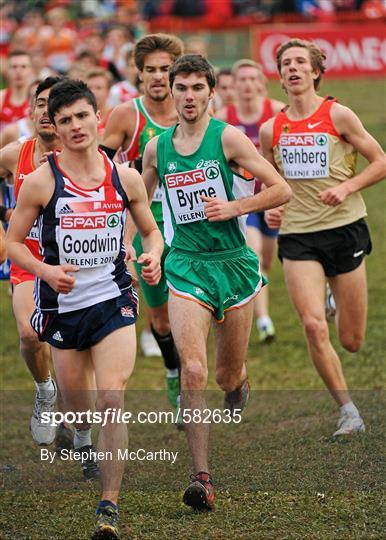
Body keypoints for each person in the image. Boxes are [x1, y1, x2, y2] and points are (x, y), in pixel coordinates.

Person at [6, 78, 163, 540]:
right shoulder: (41, 181)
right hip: (61, 307)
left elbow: (150, 231)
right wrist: (45, 271)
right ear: (53, 124)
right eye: (65, 119)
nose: (76, 126)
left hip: (112, 298)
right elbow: (13, 243)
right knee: (81, 413)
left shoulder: (125, 176)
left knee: (112, 397)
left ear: (99, 119)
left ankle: (109, 505)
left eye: (83, 117)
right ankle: (75, 429)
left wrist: (151, 255)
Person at [142, 54, 291, 510]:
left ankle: (239, 383)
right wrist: (149, 250)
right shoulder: (157, 149)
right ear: (171, 90)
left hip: (233, 263)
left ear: (212, 93)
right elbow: (139, 204)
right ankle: (201, 478)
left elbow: (280, 189)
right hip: (186, 264)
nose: (188, 97)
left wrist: (234, 208)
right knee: (194, 369)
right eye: (180, 88)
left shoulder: (227, 138)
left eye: (196, 88)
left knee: (226, 374)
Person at [260, 38, 386, 436]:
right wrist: (269, 206)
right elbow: (268, 183)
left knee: (350, 340)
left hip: (345, 229)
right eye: (286, 64)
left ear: (316, 72)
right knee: (313, 327)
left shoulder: (339, 115)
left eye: (301, 62)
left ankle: (333, 297)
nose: (293, 68)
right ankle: (348, 411)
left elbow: (380, 161)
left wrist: (348, 188)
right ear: (280, 76)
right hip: (298, 235)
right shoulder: (271, 129)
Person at [102, 33, 184, 411]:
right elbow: (95, 169)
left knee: (196, 306)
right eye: (150, 70)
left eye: (166, 69)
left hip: (188, 224)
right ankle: (173, 370)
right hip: (143, 226)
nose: (158, 77)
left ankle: (193, 376)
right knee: (162, 320)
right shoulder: (127, 116)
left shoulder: (193, 110)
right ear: (138, 74)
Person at [0, 77, 64, 447]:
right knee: (29, 334)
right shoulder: (14, 154)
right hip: (27, 258)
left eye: (53, 103)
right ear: (30, 110)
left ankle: (84, 434)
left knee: (75, 354)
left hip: (74, 263)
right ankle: (44, 390)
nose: (45, 110)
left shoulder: (85, 156)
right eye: (40, 103)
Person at [216, 59, 285, 342]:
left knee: (267, 260)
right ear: (233, 85)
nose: (246, 84)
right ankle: (264, 320)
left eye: (252, 79)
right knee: (254, 255)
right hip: (244, 202)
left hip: (277, 198)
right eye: (240, 79)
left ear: (262, 84)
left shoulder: (278, 112)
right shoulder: (223, 116)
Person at [0, 50, 33, 131]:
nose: (19, 71)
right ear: (7, 71)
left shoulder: (38, 100)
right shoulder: (1, 98)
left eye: (23, 66)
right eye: (14, 67)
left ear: (31, 70)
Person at [85, 68, 113, 142]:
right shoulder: (78, 117)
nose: (93, 92)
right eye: (89, 88)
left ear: (108, 91)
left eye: (98, 88)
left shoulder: (116, 115)